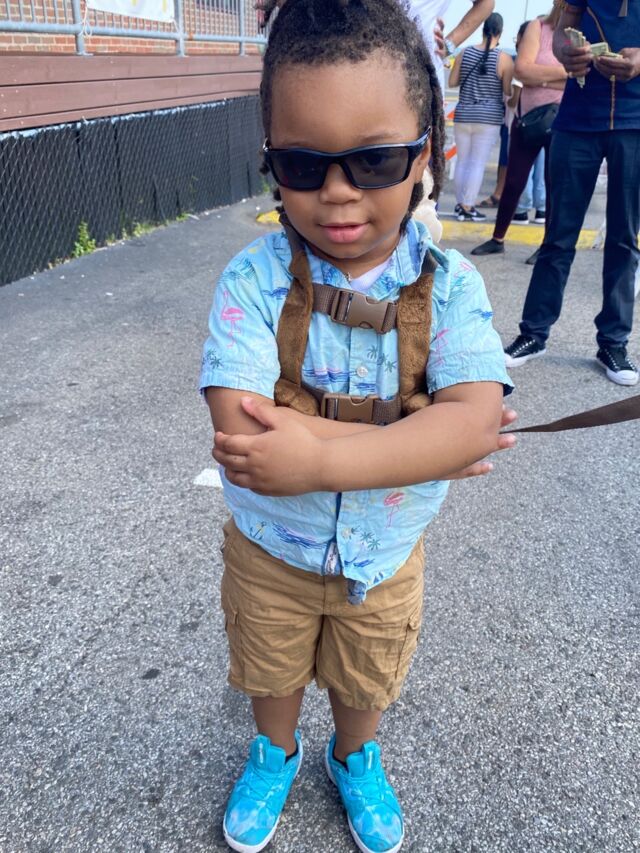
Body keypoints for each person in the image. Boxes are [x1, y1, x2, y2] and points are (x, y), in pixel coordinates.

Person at [200, 2, 514, 851]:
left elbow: (477, 422)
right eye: (304, 164)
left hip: (386, 553)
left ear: (427, 155)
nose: (337, 191)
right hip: (271, 544)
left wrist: (317, 456)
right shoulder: (253, 281)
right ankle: (273, 750)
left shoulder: (449, 286)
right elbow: (245, 437)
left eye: (374, 160)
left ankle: (353, 755)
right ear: (271, 159)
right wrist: (419, 440)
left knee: (367, 673)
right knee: (270, 665)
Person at [502, 0, 640, 386]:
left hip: (635, 122)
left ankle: (614, 342)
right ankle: (534, 333)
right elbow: (565, 27)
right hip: (576, 120)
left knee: (624, 239)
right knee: (558, 235)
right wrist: (565, 51)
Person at [471, 2, 567, 259]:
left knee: (554, 184)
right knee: (513, 181)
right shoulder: (539, 27)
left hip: (562, 121)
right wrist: (561, 74)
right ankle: (498, 238)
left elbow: (581, 77)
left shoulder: (579, 34)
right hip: (528, 119)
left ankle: (547, 245)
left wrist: (541, 78)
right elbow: (522, 70)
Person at [449, 13, 513, 222]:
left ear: (483, 29)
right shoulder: (503, 58)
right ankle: (468, 206)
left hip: (463, 114)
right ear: (500, 32)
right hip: (488, 118)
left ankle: (460, 204)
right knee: (477, 163)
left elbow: (452, 82)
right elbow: (507, 90)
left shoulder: (464, 53)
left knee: (462, 162)